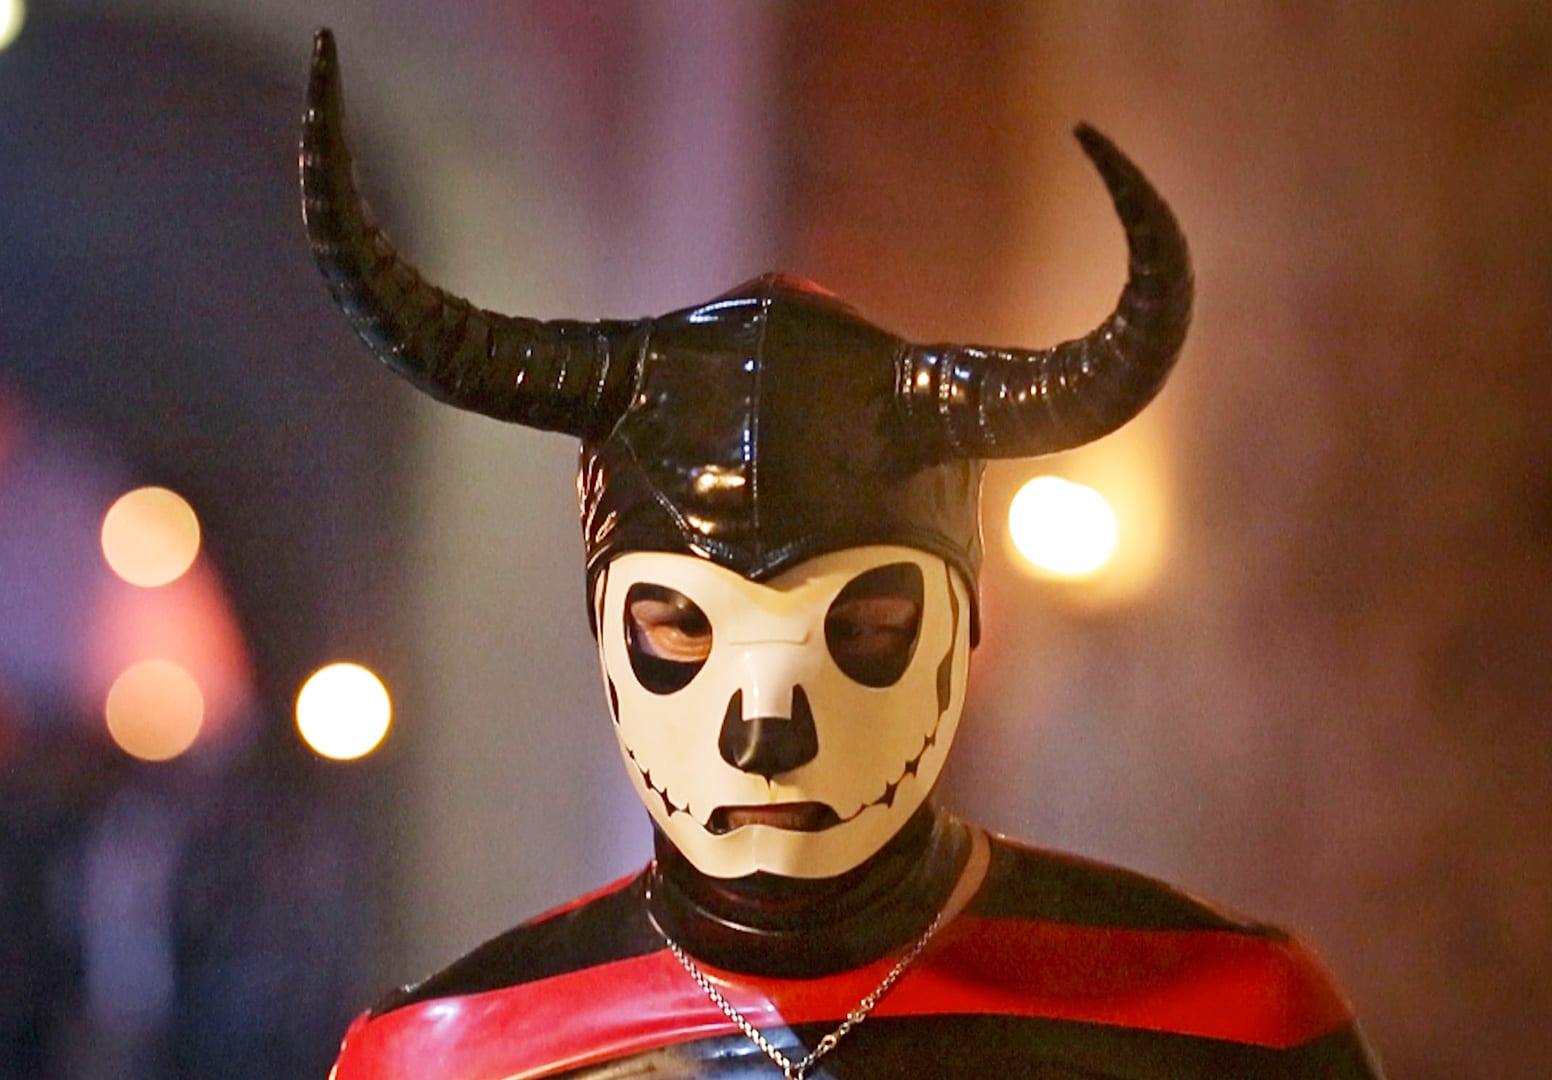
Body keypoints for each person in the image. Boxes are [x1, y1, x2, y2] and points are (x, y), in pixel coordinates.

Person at [300, 28, 1383, 1080]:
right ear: (604, 632)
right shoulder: (451, 1056)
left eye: (863, 626)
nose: (766, 728)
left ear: (965, 624)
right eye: (681, 627)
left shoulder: (1229, 1024)